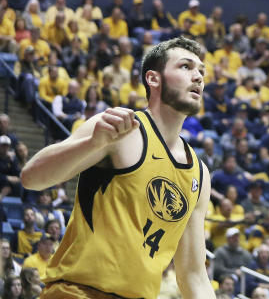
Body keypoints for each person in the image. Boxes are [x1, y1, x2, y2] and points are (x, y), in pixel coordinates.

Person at [20, 37, 214, 298]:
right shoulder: (119, 128)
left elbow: (193, 275)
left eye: (201, 71)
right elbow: (31, 177)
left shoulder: (198, 173)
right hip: (77, 292)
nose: (198, 77)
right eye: (186, 67)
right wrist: (91, 144)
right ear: (153, 79)